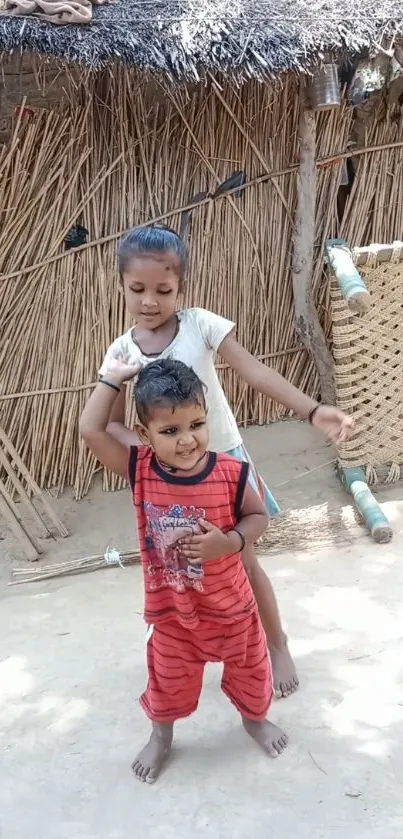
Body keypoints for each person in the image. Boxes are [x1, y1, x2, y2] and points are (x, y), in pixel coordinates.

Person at [99, 225, 355, 698]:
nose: (150, 301)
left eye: (164, 290)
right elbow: (113, 424)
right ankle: (192, 647)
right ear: (119, 285)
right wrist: (157, 463)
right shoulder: (121, 352)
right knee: (183, 568)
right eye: (137, 290)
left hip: (224, 467)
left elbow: (254, 371)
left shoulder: (200, 324)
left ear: (182, 288)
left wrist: (313, 410)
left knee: (244, 558)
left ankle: (275, 644)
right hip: (172, 482)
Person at [80, 358, 289, 783]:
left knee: (252, 671)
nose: (188, 440)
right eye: (170, 431)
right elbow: (90, 431)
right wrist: (112, 379)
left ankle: (254, 719)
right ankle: (161, 736)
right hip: (173, 615)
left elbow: (257, 517)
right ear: (145, 435)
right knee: (167, 682)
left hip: (232, 608)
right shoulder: (139, 472)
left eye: (196, 424)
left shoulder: (231, 474)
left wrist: (228, 543)